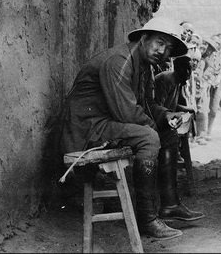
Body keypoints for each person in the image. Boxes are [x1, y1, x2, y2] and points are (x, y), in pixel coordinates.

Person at [59, 16, 204, 241]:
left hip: (106, 123)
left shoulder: (144, 67)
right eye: (159, 42)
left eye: (168, 48)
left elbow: (146, 105)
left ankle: (169, 203)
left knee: (167, 130)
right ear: (144, 38)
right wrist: (154, 126)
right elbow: (126, 112)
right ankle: (146, 219)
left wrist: (166, 115)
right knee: (148, 136)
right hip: (86, 127)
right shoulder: (119, 61)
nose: (162, 51)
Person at [201, 35, 221, 140]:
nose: (219, 44)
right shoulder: (207, 53)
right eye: (217, 42)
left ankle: (209, 131)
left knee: (214, 109)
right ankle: (202, 131)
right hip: (206, 83)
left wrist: (217, 81)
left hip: (217, 84)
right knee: (204, 107)